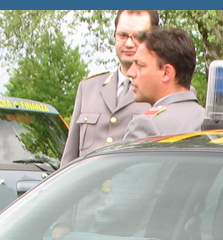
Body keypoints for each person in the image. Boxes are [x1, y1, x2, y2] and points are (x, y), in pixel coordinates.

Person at [60, 9, 159, 166]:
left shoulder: (162, 92)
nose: (128, 43)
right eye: (122, 35)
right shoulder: (88, 89)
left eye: (138, 36)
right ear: (114, 35)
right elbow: (69, 160)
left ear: (155, 39)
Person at [123, 27, 205, 141]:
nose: (130, 72)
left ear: (166, 73)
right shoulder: (213, 122)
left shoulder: (146, 125)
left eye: (139, 65)